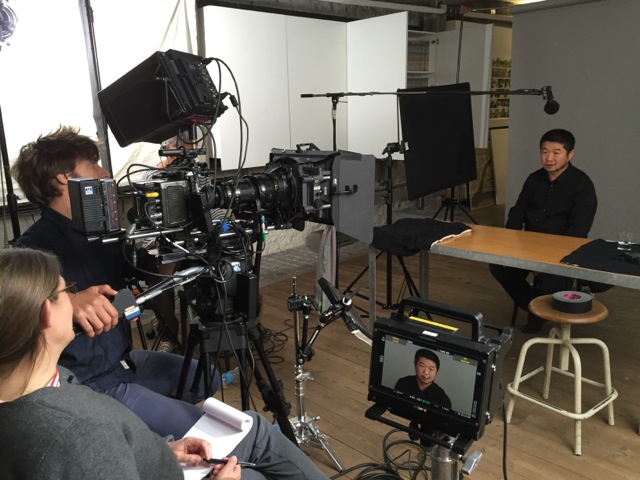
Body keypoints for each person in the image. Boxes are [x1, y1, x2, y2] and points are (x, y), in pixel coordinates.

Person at [0, 248, 330, 480]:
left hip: (159, 462)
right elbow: (94, 456)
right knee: (257, 442)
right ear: (47, 312)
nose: (77, 299)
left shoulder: (46, 384)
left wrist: (161, 451)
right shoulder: (82, 432)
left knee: (253, 434)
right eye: (67, 292)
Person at [11, 125, 219, 438]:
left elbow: (154, 276)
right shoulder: (32, 248)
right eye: (93, 164)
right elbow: (17, 313)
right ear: (63, 177)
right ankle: (143, 439)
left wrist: (176, 243)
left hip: (123, 361)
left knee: (207, 377)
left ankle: (148, 439)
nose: (104, 173)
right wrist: (68, 301)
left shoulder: (105, 233)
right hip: (90, 380)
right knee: (204, 431)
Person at [489, 129, 597, 333]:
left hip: (561, 251)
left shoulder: (582, 184)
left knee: (549, 281)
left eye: (556, 152)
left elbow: (578, 230)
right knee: (498, 266)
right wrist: (508, 242)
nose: (549, 158)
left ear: (570, 154)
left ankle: (537, 316)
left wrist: (546, 260)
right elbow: (518, 211)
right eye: (544, 152)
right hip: (528, 246)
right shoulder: (534, 179)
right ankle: (536, 308)